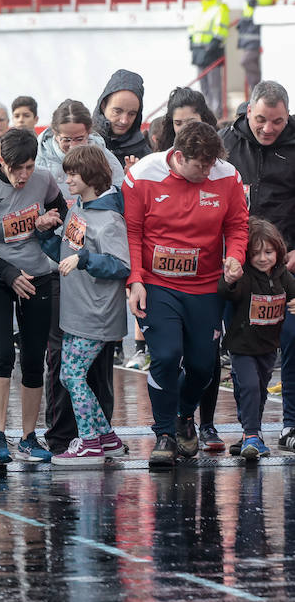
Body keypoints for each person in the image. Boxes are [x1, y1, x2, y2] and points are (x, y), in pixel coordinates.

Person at [123, 122, 247, 468]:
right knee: (165, 355)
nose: (207, 172)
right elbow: (132, 232)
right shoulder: (143, 176)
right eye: (200, 166)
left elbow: (237, 225)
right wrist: (135, 279)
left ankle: (183, 414)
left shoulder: (227, 176)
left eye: (211, 165)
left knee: (202, 366)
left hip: (206, 286)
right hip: (158, 283)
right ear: (178, 156)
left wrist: (235, 256)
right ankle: (163, 433)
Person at [0, 127, 67, 465]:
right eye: (16, 168)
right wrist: (8, 274)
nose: (23, 176)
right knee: (2, 354)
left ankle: (28, 435)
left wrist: (49, 221)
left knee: (34, 357)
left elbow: (60, 211)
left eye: (29, 166)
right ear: (2, 161)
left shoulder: (43, 179)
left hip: (36, 273)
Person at [35, 100, 123, 453]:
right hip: (75, 308)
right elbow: (62, 253)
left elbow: (119, 264)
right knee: (66, 373)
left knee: (73, 375)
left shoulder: (108, 218)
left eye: (72, 175)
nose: (64, 180)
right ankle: (106, 438)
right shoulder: (77, 210)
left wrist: (85, 258)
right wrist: (44, 234)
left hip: (95, 312)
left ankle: (89, 440)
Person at [220, 80, 295, 452]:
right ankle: (241, 428)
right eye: (262, 120)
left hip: (285, 262)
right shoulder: (228, 144)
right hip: (236, 264)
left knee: (288, 343)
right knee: (240, 351)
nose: (268, 129)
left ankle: (290, 423)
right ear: (248, 111)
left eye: (278, 122)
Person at [219, 218, 295, 459]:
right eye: (256, 253)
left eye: (269, 252)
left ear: (279, 250)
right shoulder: (246, 277)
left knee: (259, 391)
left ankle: (250, 433)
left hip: (268, 346)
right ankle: (251, 435)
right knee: (250, 387)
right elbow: (226, 291)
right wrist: (230, 280)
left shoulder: (283, 276)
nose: (263, 258)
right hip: (242, 346)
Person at [92, 69, 150, 171]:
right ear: (103, 105)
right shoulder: (82, 141)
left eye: (132, 114)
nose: (124, 120)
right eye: (117, 111)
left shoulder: (145, 156)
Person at [188, 0, 230, 114]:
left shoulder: (220, 7)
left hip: (212, 51)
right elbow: (192, 28)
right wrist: (191, 42)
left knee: (214, 85)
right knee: (203, 85)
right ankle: (206, 112)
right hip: (198, 51)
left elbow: (221, 29)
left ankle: (216, 113)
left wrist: (213, 45)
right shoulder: (198, 8)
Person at [237, 0, 275, 98]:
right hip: (247, 39)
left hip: (256, 39)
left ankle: (258, 89)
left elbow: (254, 3)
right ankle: (256, 92)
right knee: (250, 66)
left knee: (246, 61)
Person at [150, 87, 216, 154]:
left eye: (191, 122)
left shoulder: (220, 154)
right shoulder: (162, 160)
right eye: (178, 123)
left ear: (204, 119)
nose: (184, 128)